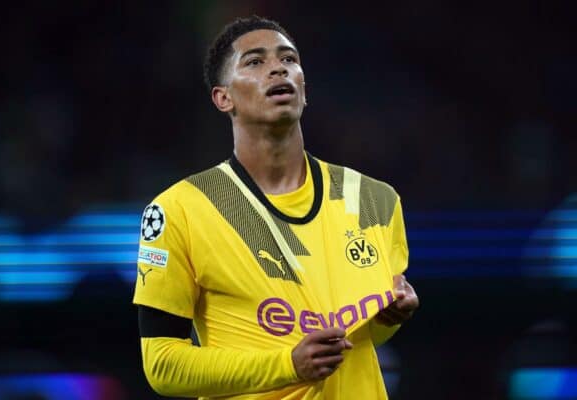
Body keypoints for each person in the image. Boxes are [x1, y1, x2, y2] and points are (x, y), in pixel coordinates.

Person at [133, 15, 419, 399]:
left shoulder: (375, 200)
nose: (278, 67)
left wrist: (389, 317)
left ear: (303, 87)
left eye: (288, 59)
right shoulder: (180, 210)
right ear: (223, 98)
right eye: (255, 61)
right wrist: (287, 366)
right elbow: (162, 364)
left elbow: (362, 338)